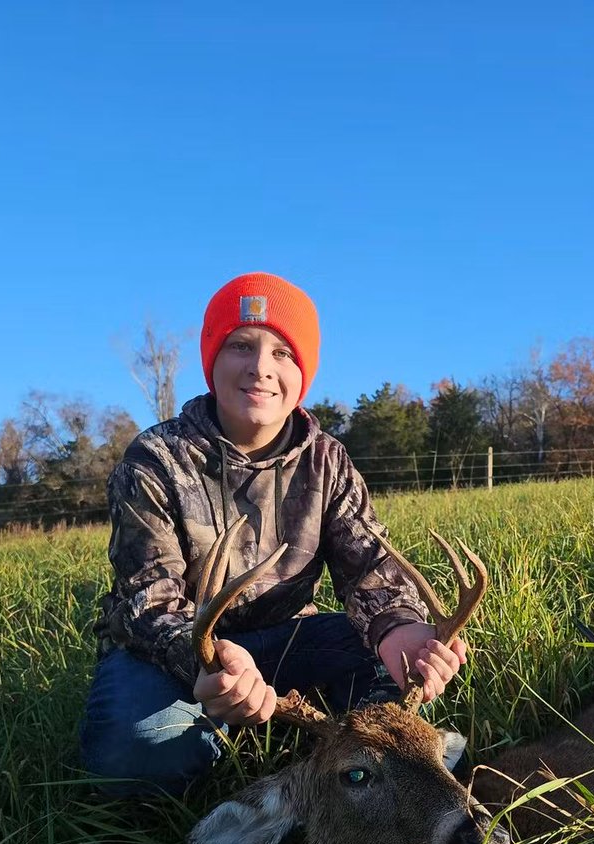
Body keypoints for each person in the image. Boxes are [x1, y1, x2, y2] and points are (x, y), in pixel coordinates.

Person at [81, 271, 467, 796]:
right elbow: (147, 601)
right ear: (212, 361)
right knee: (135, 753)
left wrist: (398, 629)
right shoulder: (157, 460)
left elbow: (369, 568)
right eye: (241, 345)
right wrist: (206, 659)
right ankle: (222, 734)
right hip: (178, 655)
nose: (261, 368)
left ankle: (354, 765)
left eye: (283, 353)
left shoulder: (327, 460)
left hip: (287, 639)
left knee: (394, 682)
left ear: (302, 372)